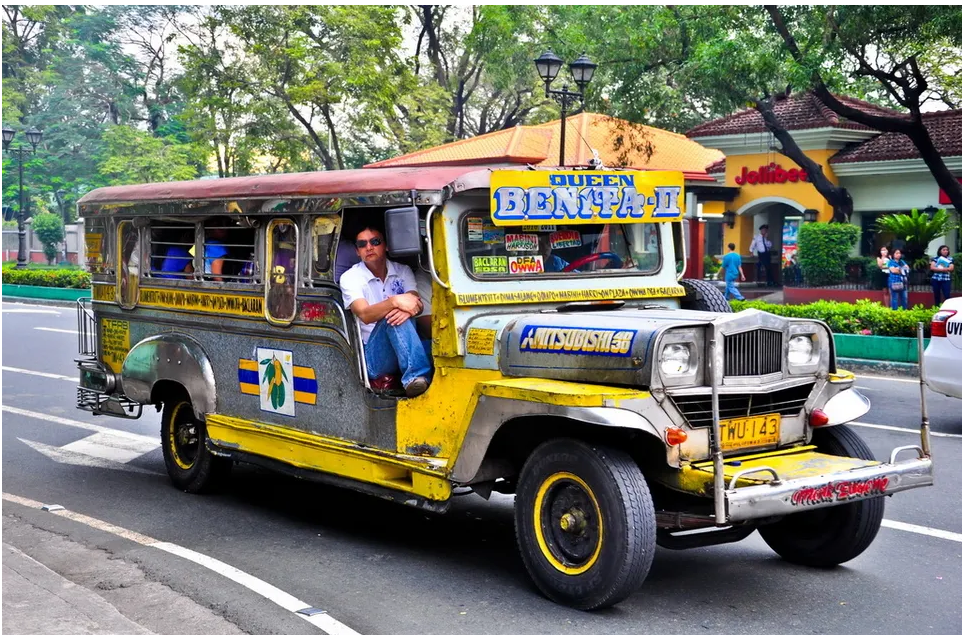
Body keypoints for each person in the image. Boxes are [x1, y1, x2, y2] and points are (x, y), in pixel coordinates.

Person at [339, 226, 431, 397]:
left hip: (408, 346)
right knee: (393, 318)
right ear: (357, 251)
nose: (369, 247)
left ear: (386, 246)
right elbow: (365, 314)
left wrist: (407, 308)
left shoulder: (403, 270)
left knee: (445, 348)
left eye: (375, 242)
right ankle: (415, 377)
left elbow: (416, 303)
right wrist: (394, 302)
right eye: (362, 244)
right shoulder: (350, 277)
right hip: (374, 357)